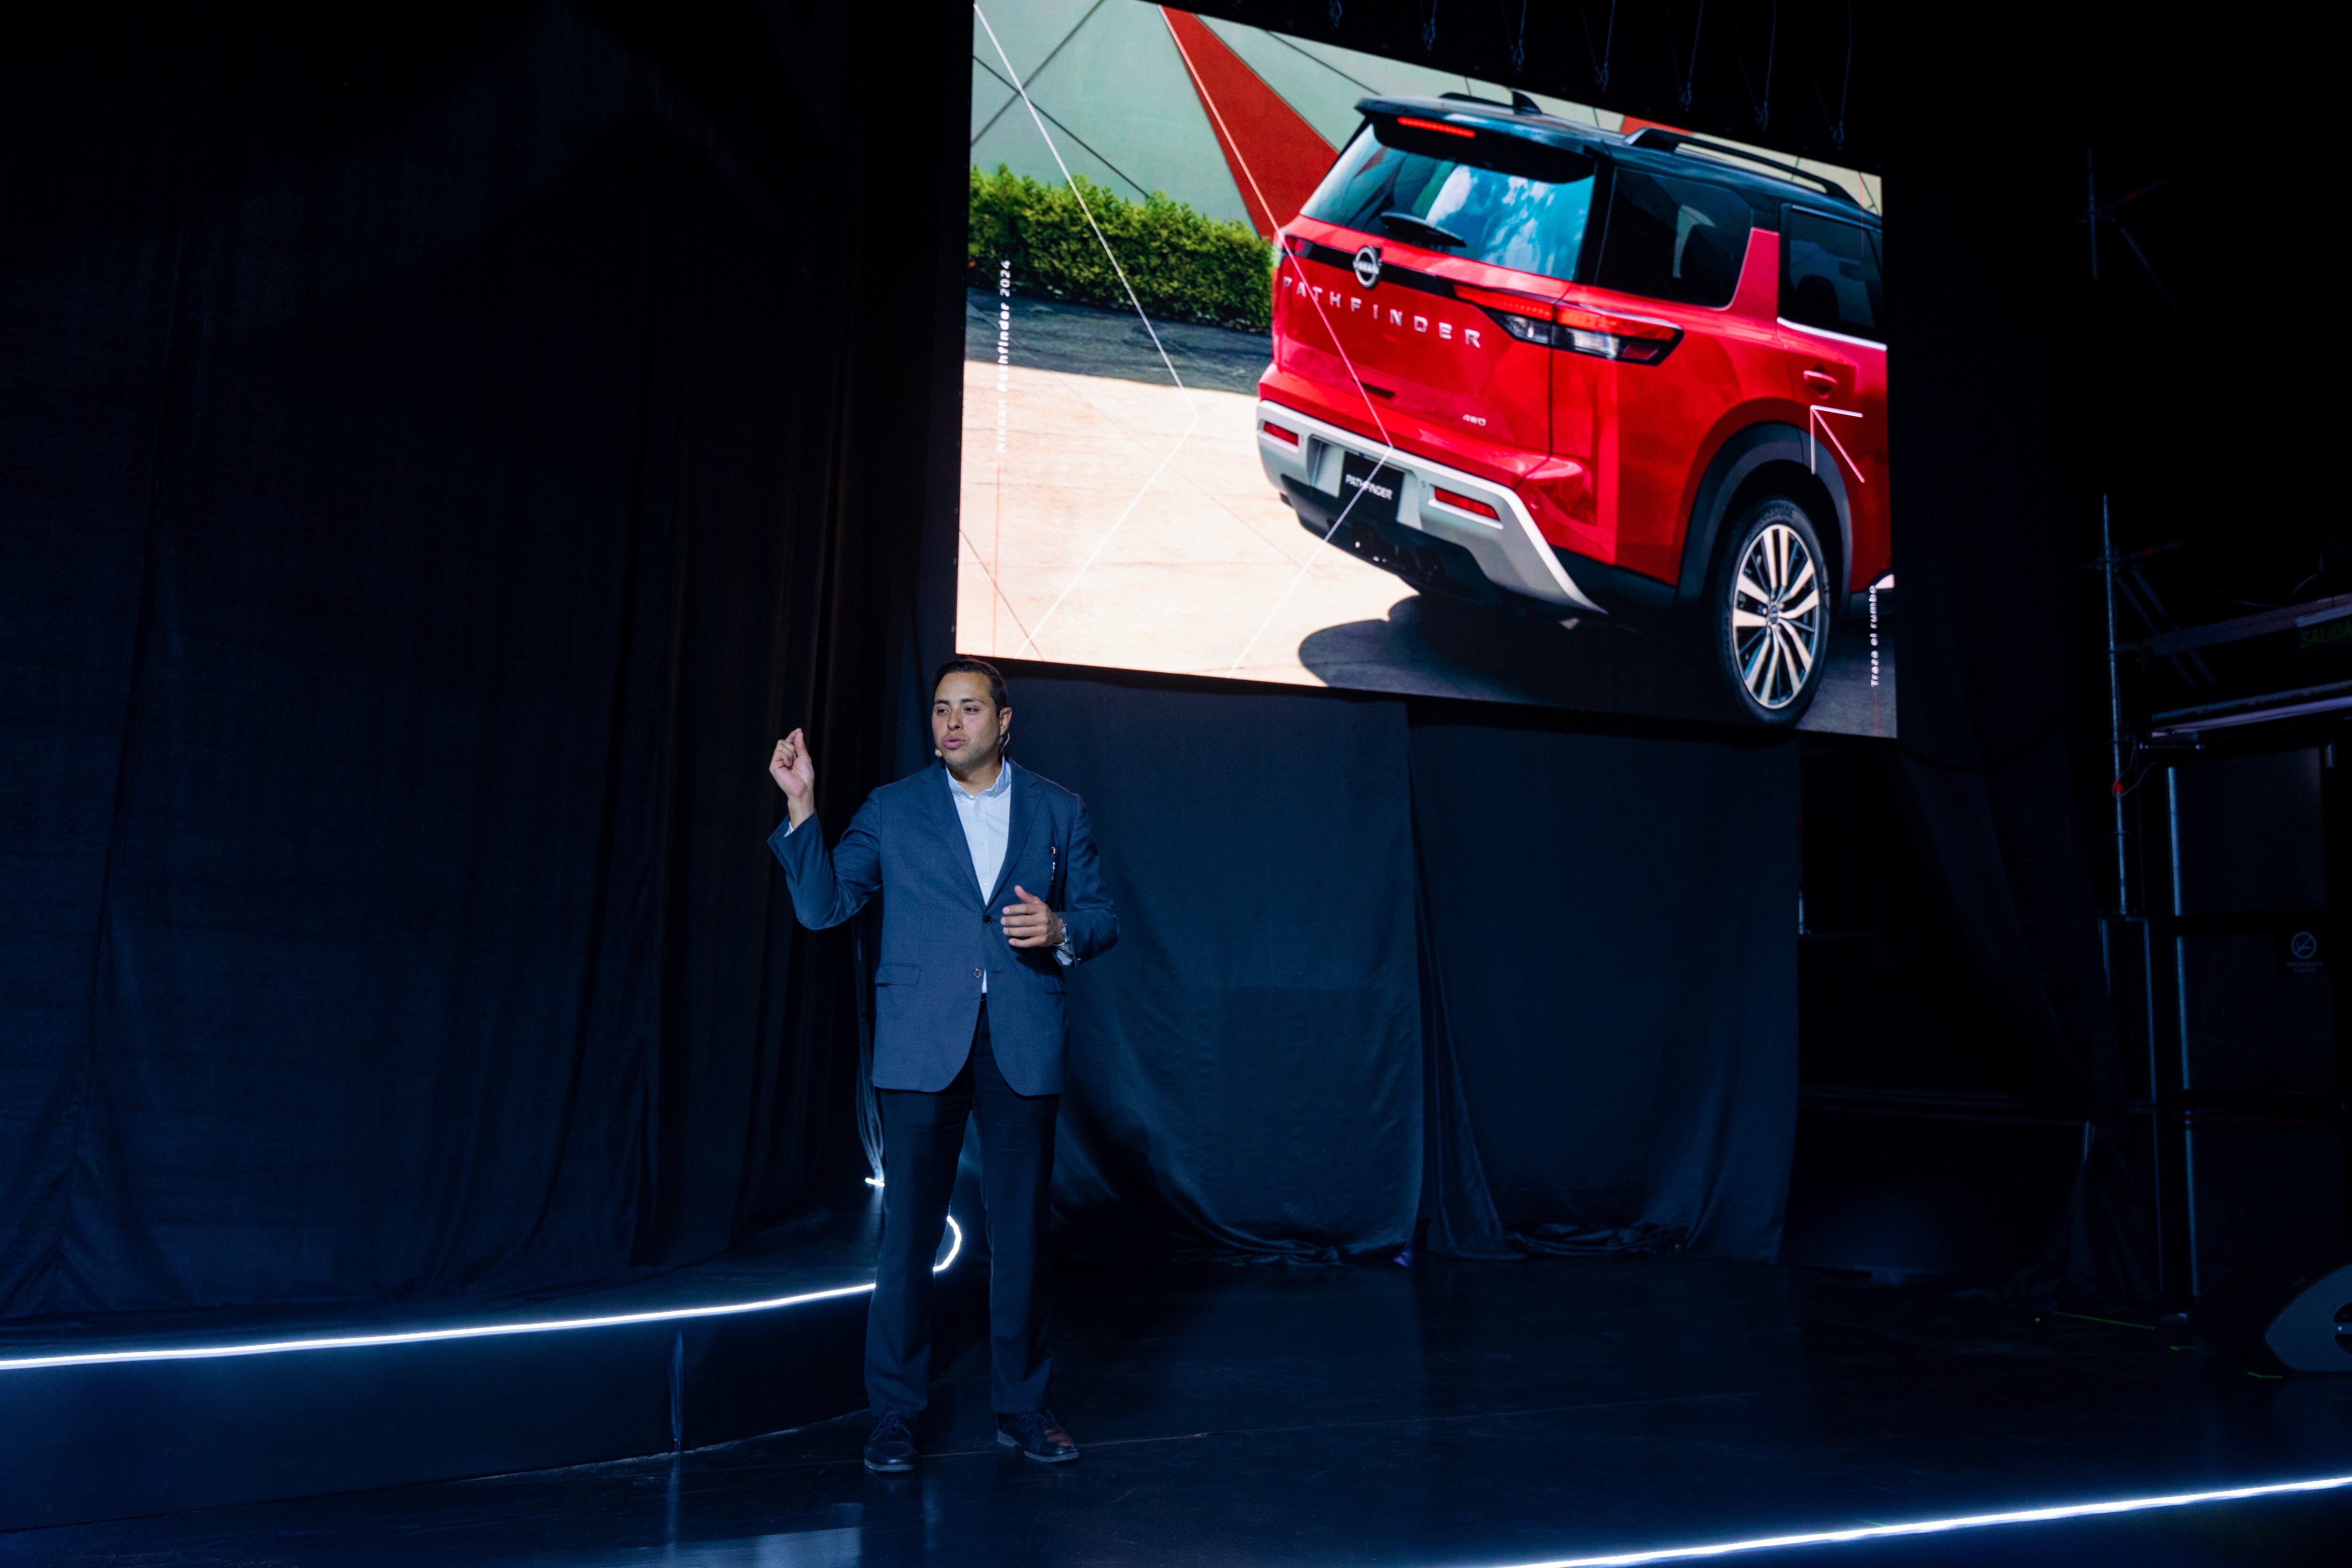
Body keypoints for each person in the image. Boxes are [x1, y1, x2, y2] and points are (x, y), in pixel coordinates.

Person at [767, 658, 1116, 1474]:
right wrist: (801, 804)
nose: (951, 723)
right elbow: (823, 907)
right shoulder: (893, 809)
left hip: (1021, 1041)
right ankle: (893, 1414)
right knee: (908, 1240)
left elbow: (1102, 919)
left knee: (1022, 1237)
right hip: (924, 1041)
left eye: (968, 709)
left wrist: (1062, 927)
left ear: (1004, 721)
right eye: (939, 710)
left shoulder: (1059, 808)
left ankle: (1024, 1408)